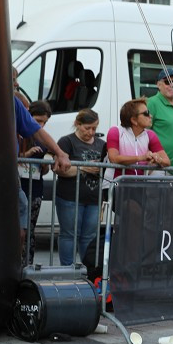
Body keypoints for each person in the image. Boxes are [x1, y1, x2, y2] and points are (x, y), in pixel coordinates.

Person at [56, 109, 106, 266]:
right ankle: (67, 270)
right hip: (70, 197)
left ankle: (87, 271)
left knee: (89, 237)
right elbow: (59, 169)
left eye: (94, 128)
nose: (91, 132)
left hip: (94, 198)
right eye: (87, 128)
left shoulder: (102, 144)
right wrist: (84, 168)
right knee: (69, 235)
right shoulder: (66, 141)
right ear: (77, 124)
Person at [18, 101, 52, 265]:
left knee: (30, 230)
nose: (41, 125)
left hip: (35, 189)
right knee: (19, 229)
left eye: (44, 122)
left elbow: (44, 171)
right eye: (38, 120)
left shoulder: (43, 140)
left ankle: (28, 264)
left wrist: (46, 165)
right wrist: (26, 154)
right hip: (19, 188)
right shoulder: (18, 135)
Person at [146, 68, 173, 170]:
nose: (172, 85)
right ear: (158, 85)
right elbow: (143, 133)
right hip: (160, 168)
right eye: (167, 82)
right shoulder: (152, 103)